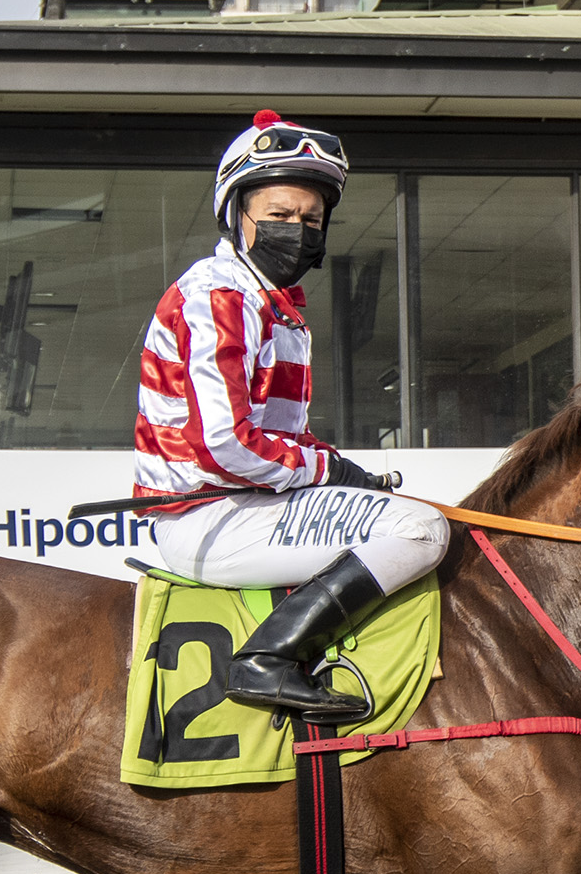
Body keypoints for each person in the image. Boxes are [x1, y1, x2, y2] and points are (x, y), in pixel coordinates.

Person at [134, 109, 449, 721]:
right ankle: (266, 659)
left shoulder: (273, 306)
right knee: (422, 531)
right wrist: (327, 469)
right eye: (279, 215)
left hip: (245, 506)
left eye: (311, 220)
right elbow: (223, 445)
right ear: (237, 214)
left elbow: (279, 442)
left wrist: (334, 468)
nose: (297, 231)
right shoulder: (220, 296)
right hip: (208, 517)